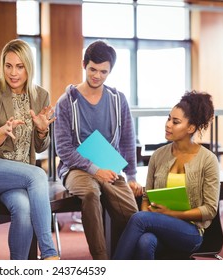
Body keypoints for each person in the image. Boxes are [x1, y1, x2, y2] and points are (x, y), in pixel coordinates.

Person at [0, 39, 59, 260]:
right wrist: (0, 133)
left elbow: (40, 146)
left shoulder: (40, 95)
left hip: (17, 177)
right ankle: (49, 253)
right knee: (37, 173)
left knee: (23, 208)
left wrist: (43, 132)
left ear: (29, 67)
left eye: (19, 66)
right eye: (8, 66)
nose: (13, 73)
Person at [54, 40, 141, 260]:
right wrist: (94, 169)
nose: (97, 76)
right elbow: (64, 149)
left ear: (110, 71)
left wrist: (131, 175)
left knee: (132, 213)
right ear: (84, 64)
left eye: (104, 71)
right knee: (92, 193)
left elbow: (128, 139)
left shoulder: (118, 100)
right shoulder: (66, 102)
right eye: (93, 69)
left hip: (108, 165)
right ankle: (101, 261)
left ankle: (131, 258)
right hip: (75, 168)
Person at [113, 91, 220, 260]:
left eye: (175, 122)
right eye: (168, 118)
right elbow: (147, 197)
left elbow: (210, 209)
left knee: (139, 220)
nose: (168, 124)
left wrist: (170, 214)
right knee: (146, 241)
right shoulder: (158, 155)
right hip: (157, 225)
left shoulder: (208, 160)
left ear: (191, 128)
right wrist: (149, 215)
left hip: (190, 233)